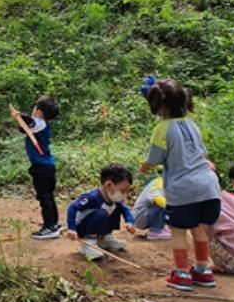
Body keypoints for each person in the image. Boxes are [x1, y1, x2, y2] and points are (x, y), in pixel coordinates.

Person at [140, 78, 221, 291]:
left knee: (177, 231)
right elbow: (201, 153)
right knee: (199, 229)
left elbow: (155, 158)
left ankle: (182, 273)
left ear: (160, 105)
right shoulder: (192, 125)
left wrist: (146, 165)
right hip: (209, 186)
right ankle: (203, 270)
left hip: (182, 188)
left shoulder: (162, 128)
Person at [10, 96, 61, 239]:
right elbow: (24, 128)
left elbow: (29, 121)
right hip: (46, 167)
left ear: (38, 111)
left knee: (45, 197)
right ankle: (54, 224)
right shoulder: (40, 125)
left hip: (42, 168)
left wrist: (20, 115)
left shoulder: (40, 123)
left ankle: (50, 226)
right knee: (48, 197)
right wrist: (20, 120)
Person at [66, 163, 136, 260]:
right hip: (83, 226)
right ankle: (88, 243)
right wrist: (71, 228)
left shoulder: (114, 199)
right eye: (122, 191)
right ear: (109, 185)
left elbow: (125, 210)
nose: (124, 194)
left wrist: (130, 222)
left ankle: (104, 237)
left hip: (98, 225)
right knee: (101, 213)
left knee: (115, 209)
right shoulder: (92, 197)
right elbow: (72, 207)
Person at [132, 174, 172, 240]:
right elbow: (156, 198)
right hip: (141, 216)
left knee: (167, 203)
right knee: (163, 203)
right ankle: (155, 231)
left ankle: (159, 228)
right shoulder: (160, 182)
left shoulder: (160, 181)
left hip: (144, 215)